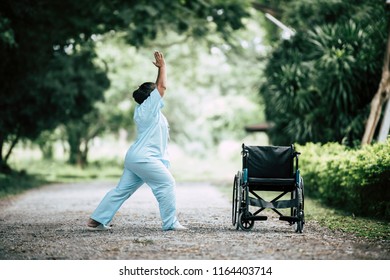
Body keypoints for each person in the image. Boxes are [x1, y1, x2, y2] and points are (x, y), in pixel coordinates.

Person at [87, 51, 187, 231]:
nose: (160, 94)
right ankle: (170, 224)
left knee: (122, 190)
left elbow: (158, 89)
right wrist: (162, 68)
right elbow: (162, 87)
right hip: (144, 158)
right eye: (155, 92)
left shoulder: (145, 110)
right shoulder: (148, 108)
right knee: (167, 183)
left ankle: (97, 219)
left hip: (137, 158)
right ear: (151, 97)